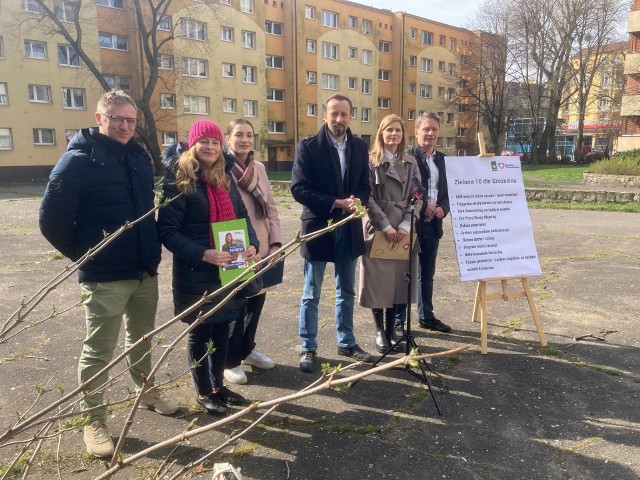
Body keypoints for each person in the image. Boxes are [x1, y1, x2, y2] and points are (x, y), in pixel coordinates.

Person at [39, 90, 179, 458]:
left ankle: (145, 390)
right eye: (116, 118)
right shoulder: (77, 161)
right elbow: (50, 220)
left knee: (142, 338)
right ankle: (94, 419)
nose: (124, 125)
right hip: (104, 275)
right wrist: (86, 255)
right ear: (99, 118)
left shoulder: (137, 156)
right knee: (99, 350)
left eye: (130, 120)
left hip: (144, 270)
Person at [157, 120, 258, 415]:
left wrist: (253, 245)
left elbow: (243, 217)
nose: (211, 147)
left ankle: (218, 387)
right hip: (196, 272)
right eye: (204, 142)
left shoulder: (224, 177)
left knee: (223, 328)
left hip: (230, 268)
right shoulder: (179, 181)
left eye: (215, 142)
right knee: (201, 333)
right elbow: (168, 232)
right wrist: (203, 254)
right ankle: (203, 392)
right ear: (192, 145)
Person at [291, 94, 373, 373]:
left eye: (344, 114)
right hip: (318, 227)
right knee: (311, 291)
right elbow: (298, 189)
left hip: (348, 228)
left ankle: (346, 342)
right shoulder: (308, 147)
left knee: (346, 289)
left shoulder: (360, 147)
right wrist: (334, 202)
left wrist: (356, 200)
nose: (339, 119)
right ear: (324, 116)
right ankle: (308, 346)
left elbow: (365, 186)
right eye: (334, 114)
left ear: (351, 116)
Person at [223, 119, 282, 384]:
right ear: (228, 138)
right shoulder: (221, 169)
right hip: (238, 245)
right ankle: (229, 360)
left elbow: (270, 207)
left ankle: (247, 350)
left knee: (257, 302)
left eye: (249, 135)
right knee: (236, 304)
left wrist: (276, 244)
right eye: (239, 135)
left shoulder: (258, 167)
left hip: (264, 244)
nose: (244, 140)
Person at [358, 114, 422, 353]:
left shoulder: (411, 162)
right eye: (389, 130)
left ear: (403, 134)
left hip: (403, 228)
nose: (393, 134)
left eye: (398, 130)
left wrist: (406, 224)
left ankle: (391, 328)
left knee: (397, 279)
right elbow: (367, 197)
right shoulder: (369, 161)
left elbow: (418, 196)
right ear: (381, 133)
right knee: (377, 280)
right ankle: (378, 329)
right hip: (378, 227)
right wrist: (385, 225)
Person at [395, 112, 452, 334]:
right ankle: (399, 321)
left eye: (434, 130)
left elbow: (449, 191)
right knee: (405, 274)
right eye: (426, 129)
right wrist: (425, 203)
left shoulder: (443, 160)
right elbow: (407, 187)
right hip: (411, 224)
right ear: (416, 131)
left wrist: (443, 209)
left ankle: (426, 316)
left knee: (427, 274)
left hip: (433, 225)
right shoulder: (407, 157)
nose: (430, 133)